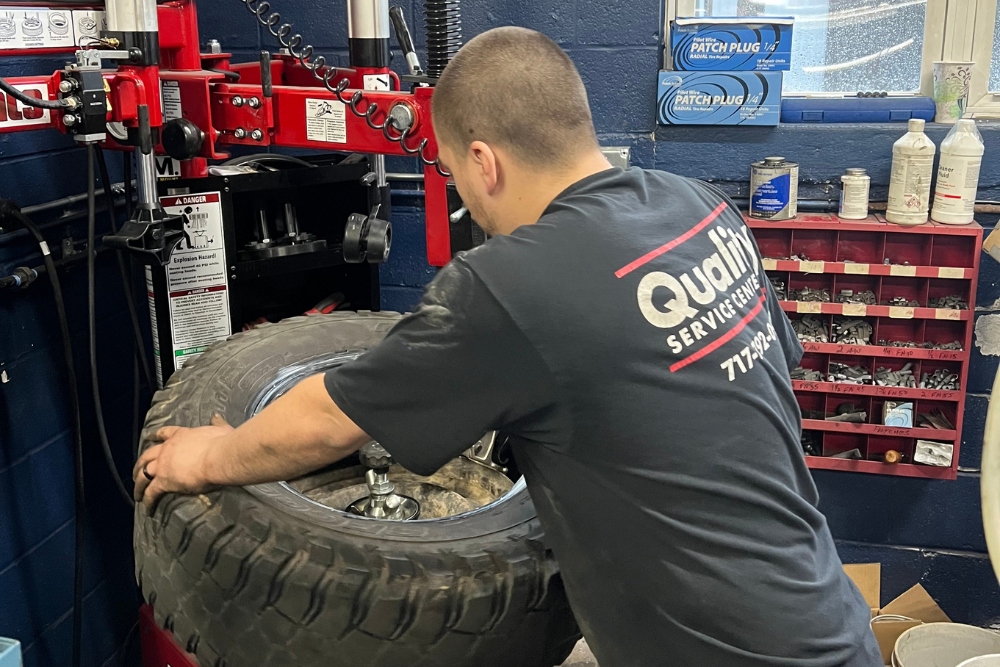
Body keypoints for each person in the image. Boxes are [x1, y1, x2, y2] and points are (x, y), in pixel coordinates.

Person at [133, 26, 881, 667]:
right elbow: (757, 373)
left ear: (484, 162)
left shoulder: (509, 285)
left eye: (456, 177)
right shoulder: (698, 209)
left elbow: (330, 420)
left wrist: (205, 456)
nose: (467, 200)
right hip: (833, 625)